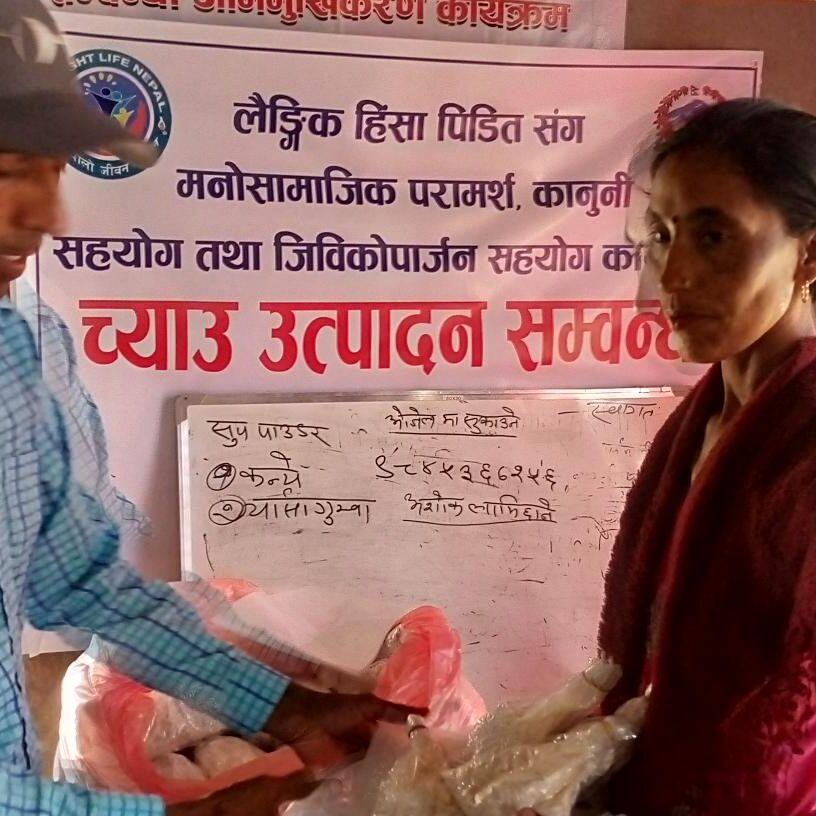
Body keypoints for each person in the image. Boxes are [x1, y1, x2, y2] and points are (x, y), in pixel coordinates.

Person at [0, 1, 417, 814]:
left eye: (52, 171)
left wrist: (286, 706)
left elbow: (77, 580)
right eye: (9, 169)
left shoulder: (12, 359)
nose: (49, 216)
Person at [598, 98, 816, 816]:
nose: (674, 275)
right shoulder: (699, 422)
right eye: (662, 236)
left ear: (809, 254)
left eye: (714, 236)